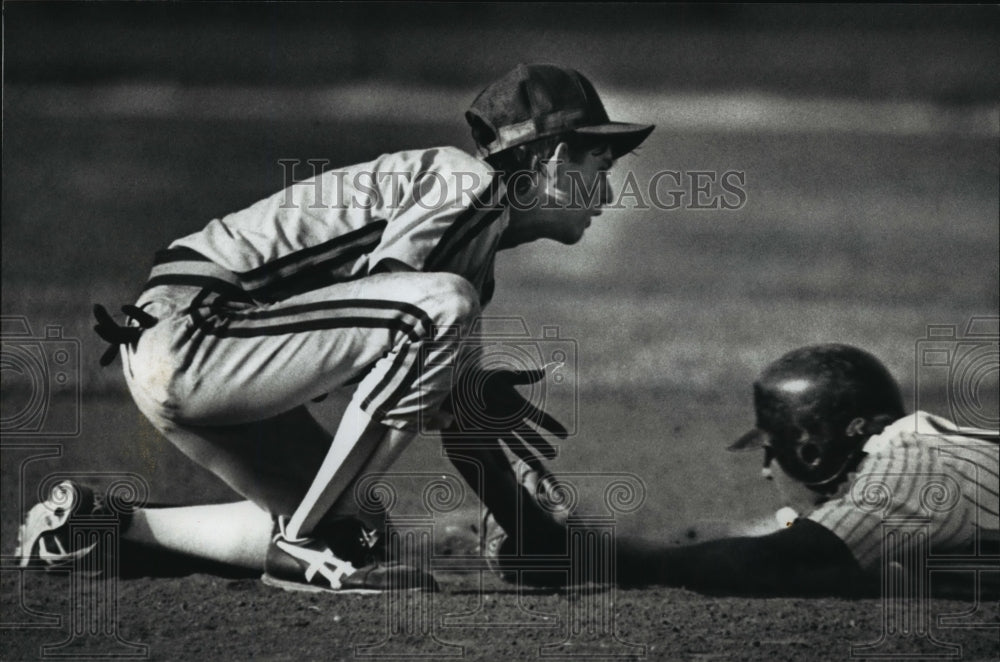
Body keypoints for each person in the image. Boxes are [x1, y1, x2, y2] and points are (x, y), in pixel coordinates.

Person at [15, 63, 653, 594]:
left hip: (207, 348)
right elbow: (400, 304)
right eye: (603, 163)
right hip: (200, 327)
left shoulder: (472, 253)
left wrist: (531, 533)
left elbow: (453, 416)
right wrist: (461, 389)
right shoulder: (469, 184)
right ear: (555, 158)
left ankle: (100, 527)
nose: (608, 191)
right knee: (441, 310)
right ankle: (301, 542)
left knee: (360, 530)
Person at [612, 343, 999, 596]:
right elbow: (775, 533)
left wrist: (602, 556)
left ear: (812, 452)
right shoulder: (918, 463)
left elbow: (779, 561)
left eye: (771, 453)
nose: (767, 472)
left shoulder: (912, 471)